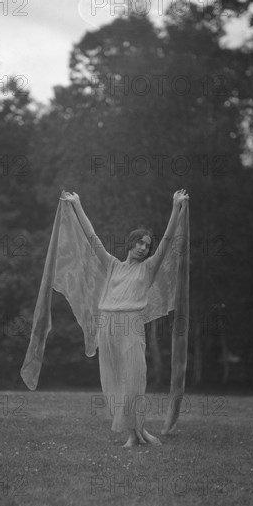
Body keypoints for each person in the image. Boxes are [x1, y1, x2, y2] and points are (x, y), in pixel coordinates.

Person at [61, 189, 189, 447]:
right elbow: (92, 237)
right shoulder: (112, 266)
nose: (143, 248)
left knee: (134, 381)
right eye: (139, 243)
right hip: (107, 325)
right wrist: (77, 205)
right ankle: (134, 434)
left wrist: (175, 208)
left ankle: (139, 431)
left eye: (146, 245)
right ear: (130, 243)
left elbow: (165, 242)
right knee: (116, 383)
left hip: (131, 325)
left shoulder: (149, 268)